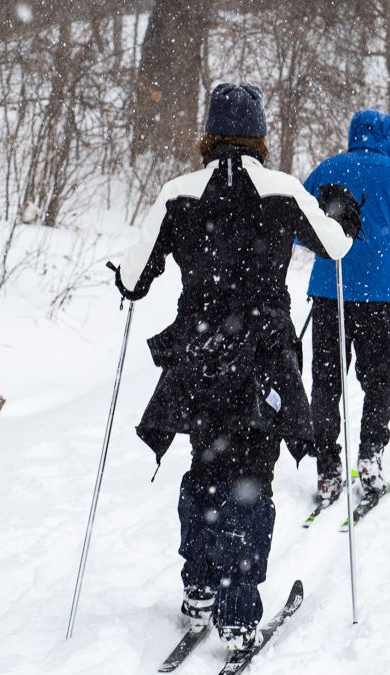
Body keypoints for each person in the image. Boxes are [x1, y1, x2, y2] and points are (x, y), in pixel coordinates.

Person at [112, 83, 357, 651]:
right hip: (264, 359)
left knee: (204, 470)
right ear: (260, 134)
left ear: (210, 133)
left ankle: (199, 590)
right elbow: (336, 247)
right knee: (250, 479)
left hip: (199, 358)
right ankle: (239, 614)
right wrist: (342, 211)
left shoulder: (178, 194)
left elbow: (133, 278)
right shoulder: (281, 190)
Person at [299, 109, 390, 502]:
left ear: (352, 135)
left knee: (326, 382)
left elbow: (298, 229)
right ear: (389, 138)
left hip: (330, 291)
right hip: (377, 297)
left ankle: (328, 469)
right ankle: (370, 457)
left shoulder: (327, 169)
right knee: (378, 380)